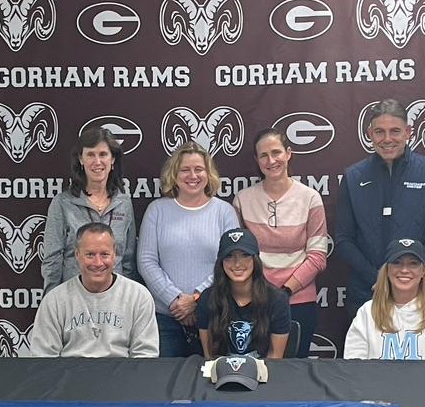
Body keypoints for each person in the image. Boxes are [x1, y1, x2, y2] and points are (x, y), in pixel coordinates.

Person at [336, 98, 425, 322]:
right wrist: (380, 278)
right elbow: (343, 239)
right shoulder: (353, 177)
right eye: (379, 132)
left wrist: (409, 275)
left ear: (408, 132)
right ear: (369, 133)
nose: (387, 139)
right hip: (367, 292)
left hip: (419, 293)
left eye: (395, 131)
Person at [137, 142, 239, 356]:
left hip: (213, 316)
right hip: (166, 318)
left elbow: (231, 262)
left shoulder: (225, 212)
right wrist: (175, 300)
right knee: (164, 385)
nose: (192, 175)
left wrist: (196, 300)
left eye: (199, 169)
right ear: (174, 174)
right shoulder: (157, 210)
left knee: (212, 383)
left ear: (208, 173)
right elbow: (146, 261)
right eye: (185, 169)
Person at [233, 128, 328, 357]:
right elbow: (238, 256)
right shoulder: (242, 200)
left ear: (288, 153)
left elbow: (317, 257)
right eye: (263, 155)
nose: (271, 160)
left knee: (294, 376)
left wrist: (284, 292)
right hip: (253, 302)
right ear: (257, 160)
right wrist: (260, 293)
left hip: (298, 302)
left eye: (276, 152)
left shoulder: (310, 198)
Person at [29, 223, 158, 357]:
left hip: (121, 375)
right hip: (70, 376)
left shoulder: (139, 297)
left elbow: (145, 356)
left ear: (114, 255)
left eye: (104, 254)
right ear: (77, 255)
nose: (98, 263)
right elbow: (43, 358)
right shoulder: (54, 301)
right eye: (90, 254)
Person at [41, 126, 136, 295]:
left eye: (103, 154)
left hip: (116, 299)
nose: (97, 161)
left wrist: (127, 299)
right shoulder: (63, 203)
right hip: (73, 298)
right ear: (81, 159)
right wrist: (51, 301)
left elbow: (128, 260)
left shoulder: (124, 203)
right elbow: (52, 260)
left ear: (113, 159)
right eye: (90, 154)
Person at [343, 239, 425, 360]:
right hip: (378, 380)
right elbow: (354, 365)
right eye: (397, 262)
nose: (405, 270)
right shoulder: (368, 312)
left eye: (413, 264)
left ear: (423, 271)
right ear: (387, 270)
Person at [196, 228, 291, 359]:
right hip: (220, 375)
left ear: (255, 259)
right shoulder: (208, 298)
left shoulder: (277, 300)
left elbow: (275, 357)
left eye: (245, 255)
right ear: (221, 262)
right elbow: (209, 357)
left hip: (263, 375)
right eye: (229, 256)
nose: (237, 264)